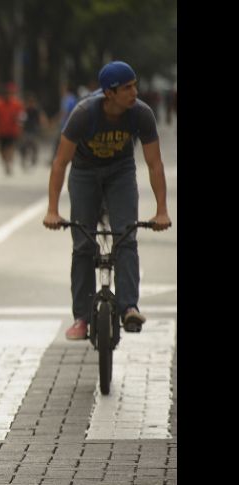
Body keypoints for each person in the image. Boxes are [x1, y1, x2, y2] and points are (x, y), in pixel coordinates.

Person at [43, 61, 172, 340]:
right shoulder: (83, 114)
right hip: (84, 172)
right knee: (83, 243)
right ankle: (81, 317)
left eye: (134, 85)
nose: (134, 92)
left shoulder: (141, 114)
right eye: (127, 88)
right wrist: (52, 210)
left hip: (120, 171)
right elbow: (60, 162)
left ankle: (129, 308)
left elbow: (154, 164)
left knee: (126, 236)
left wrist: (162, 211)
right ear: (109, 93)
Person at [0, 82, 25, 176]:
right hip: (1, 131)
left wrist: (20, 126)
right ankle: (5, 163)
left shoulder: (17, 103)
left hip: (12, 130)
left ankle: (9, 164)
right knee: (2, 149)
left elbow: (22, 117)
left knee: (10, 147)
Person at [18, 92, 47, 170]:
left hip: (34, 130)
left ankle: (34, 158)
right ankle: (23, 159)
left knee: (34, 145)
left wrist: (43, 126)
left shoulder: (36, 110)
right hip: (26, 130)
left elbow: (42, 118)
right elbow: (21, 119)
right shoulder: (25, 110)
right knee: (23, 145)